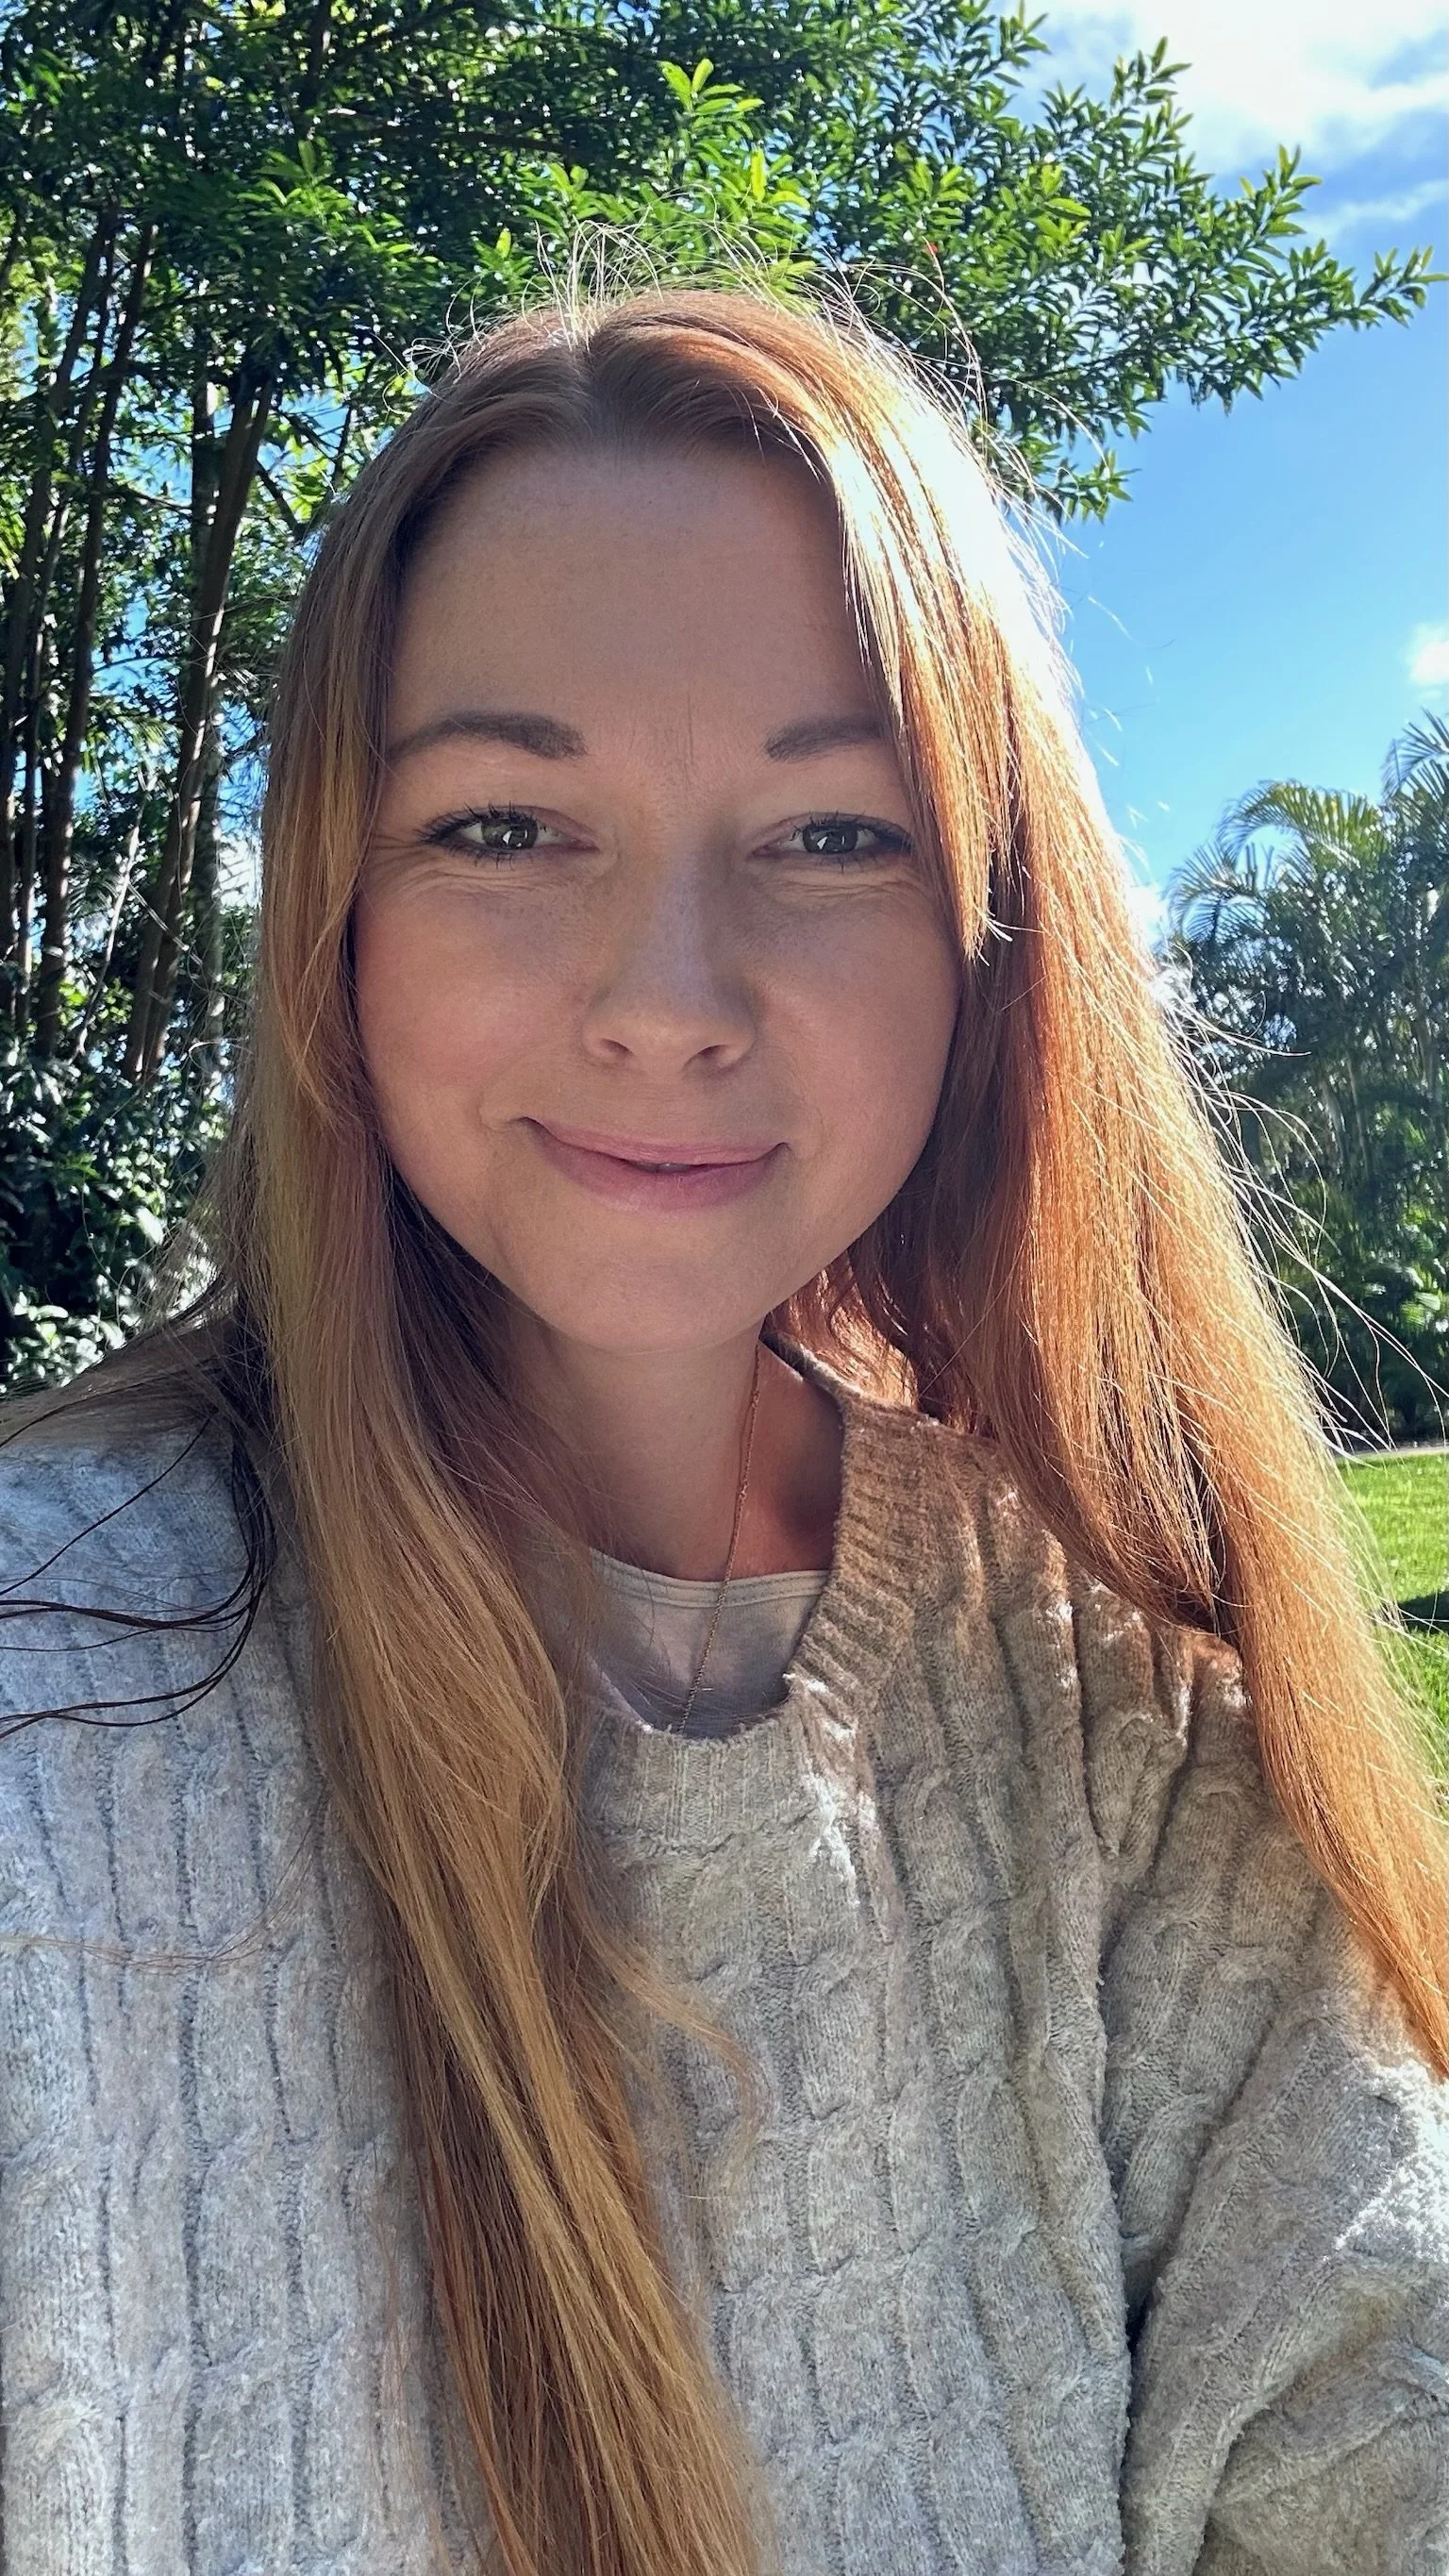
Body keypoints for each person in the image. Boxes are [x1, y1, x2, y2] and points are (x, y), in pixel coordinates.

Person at [1, 281, 1445, 2576]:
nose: (667, 1003)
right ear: (335, 919)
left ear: (993, 943)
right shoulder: (54, 1697)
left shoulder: (1117, 1705)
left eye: (833, 836)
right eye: (506, 824)